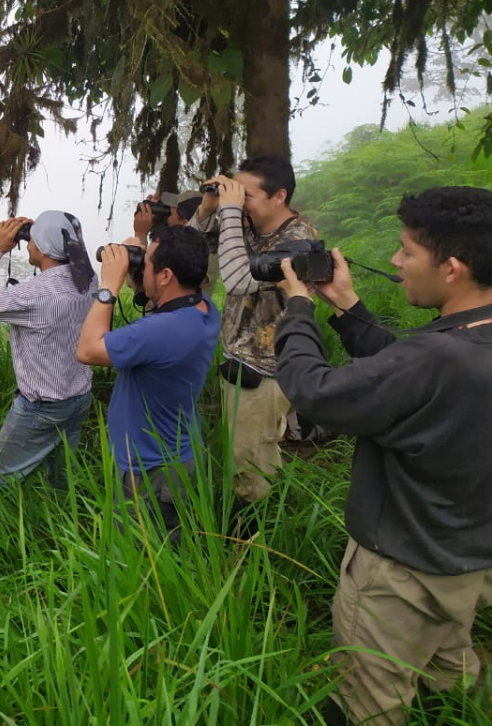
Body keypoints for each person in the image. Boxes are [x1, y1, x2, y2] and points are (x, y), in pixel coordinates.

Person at [274, 186, 492, 726]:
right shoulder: (466, 342)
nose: (395, 260)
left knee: (367, 702)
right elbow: (413, 377)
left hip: (400, 573)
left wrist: (298, 309)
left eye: (407, 250)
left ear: (452, 269)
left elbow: (316, 391)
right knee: (450, 668)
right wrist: (349, 309)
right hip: (468, 558)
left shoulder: (436, 357)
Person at [75, 226, 219, 544]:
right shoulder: (203, 308)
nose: (142, 267)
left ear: (166, 276)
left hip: (151, 469)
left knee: (140, 553)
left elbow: (87, 350)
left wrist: (109, 285)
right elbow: (160, 297)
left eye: (148, 262)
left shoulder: (161, 331)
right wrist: (140, 264)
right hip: (177, 453)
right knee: (168, 546)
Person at [201, 153, 316, 504]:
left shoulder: (298, 241)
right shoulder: (248, 225)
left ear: (279, 196)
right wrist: (208, 208)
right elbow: (188, 249)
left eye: (247, 195)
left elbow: (238, 281)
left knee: (251, 466)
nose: (239, 201)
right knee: (242, 455)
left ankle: (256, 529)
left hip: (266, 373)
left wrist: (230, 211)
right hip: (239, 362)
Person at [0, 210, 97, 488]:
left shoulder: (33, 295)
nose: (28, 243)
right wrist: (45, 230)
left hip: (41, 408)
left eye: (32, 238)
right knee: (63, 479)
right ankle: (64, 511)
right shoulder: (89, 280)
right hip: (79, 397)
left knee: (0, 484)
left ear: (44, 247)